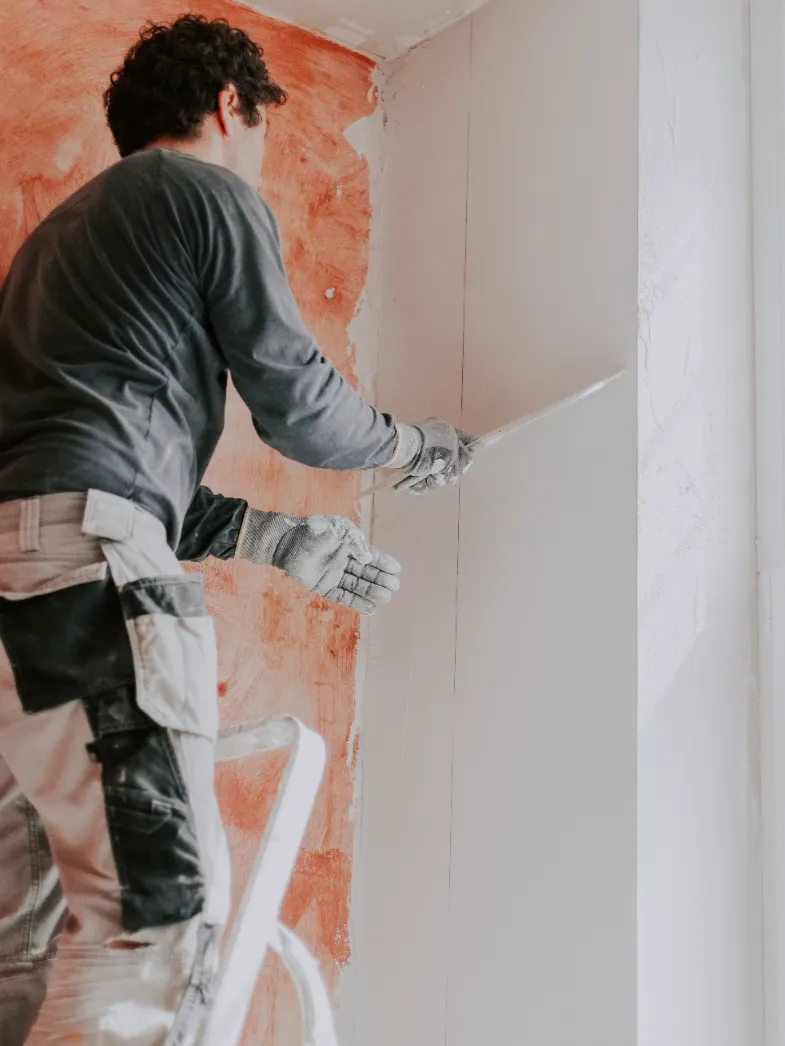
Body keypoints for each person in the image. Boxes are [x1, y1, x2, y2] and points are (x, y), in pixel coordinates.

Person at [0, 14, 473, 1046]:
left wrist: (273, 540)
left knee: (21, 951)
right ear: (229, 107)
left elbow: (85, 459)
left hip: (21, 606)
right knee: (157, 926)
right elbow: (298, 403)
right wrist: (405, 444)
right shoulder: (205, 191)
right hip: (89, 587)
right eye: (255, 134)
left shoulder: (51, 252)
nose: (252, 158)